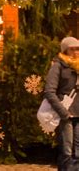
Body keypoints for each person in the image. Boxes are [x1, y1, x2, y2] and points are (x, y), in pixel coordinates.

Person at [44, 36, 79, 170]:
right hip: (65, 115)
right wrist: (63, 113)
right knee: (66, 152)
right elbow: (49, 91)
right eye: (72, 49)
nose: (76, 52)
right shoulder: (58, 66)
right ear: (65, 51)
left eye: (78, 49)